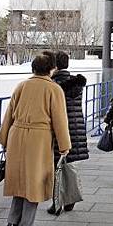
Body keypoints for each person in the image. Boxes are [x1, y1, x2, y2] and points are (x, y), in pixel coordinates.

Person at [0, 53, 71, 226]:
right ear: (52, 69)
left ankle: (12, 221)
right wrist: (64, 145)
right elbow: (60, 120)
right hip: (38, 139)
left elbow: (9, 114)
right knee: (33, 183)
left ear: (33, 68)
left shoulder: (22, 85)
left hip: (16, 134)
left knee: (19, 181)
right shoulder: (53, 89)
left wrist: (3, 138)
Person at [45, 50, 89, 215]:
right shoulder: (77, 83)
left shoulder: (52, 84)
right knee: (69, 165)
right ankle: (70, 199)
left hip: (59, 128)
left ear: (54, 66)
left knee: (56, 166)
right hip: (75, 126)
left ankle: (56, 203)